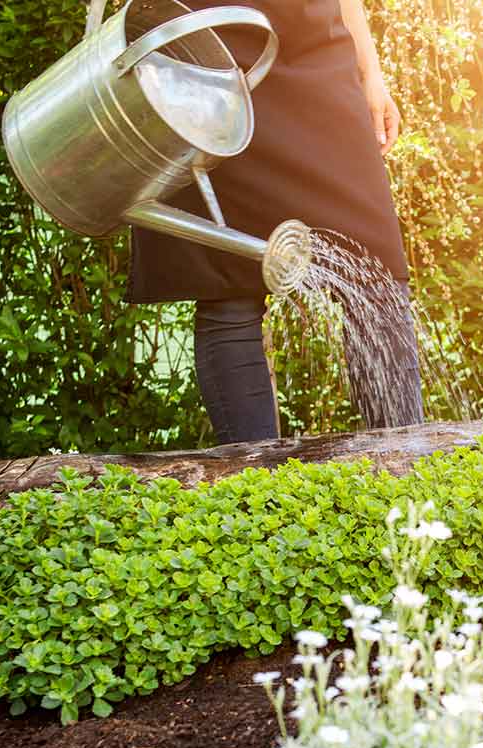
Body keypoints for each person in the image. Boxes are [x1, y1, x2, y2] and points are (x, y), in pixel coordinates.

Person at [127, 0, 424, 443]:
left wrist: (371, 72)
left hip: (317, 49)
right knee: (227, 282)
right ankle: (257, 485)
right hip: (208, 48)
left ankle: (405, 465)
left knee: (374, 278)